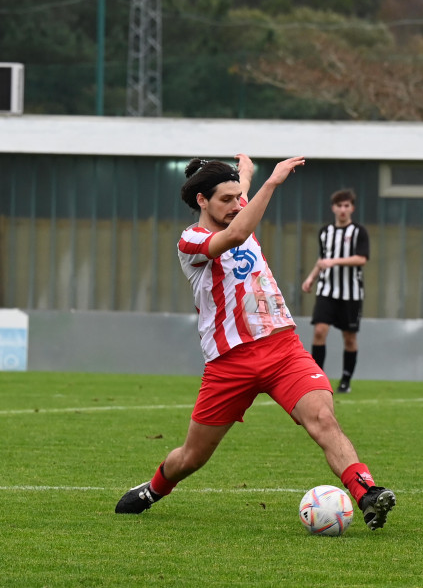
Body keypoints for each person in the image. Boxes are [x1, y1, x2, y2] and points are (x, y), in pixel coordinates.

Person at [115, 154, 395, 530]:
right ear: (202, 201)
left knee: (323, 419)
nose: (236, 204)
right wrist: (271, 181)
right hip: (230, 362)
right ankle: (154, 488)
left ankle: (367, 493)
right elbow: (235, 236)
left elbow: (239, 197)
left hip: (283, 349)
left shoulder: (234, 206)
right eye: (226, 200)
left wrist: (244, 171)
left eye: (238, 197)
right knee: (193, 457)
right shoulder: (191, 241)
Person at [301, 189, 369, 393]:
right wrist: (311, 278)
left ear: (352, 208)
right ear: (333, 208)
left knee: (349, 337)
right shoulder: (325, 232)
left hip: (351, 293)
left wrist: (335, 261)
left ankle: (346, 381)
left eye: (347, 206)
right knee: (320, 331)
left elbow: (361, 259)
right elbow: (323, 260)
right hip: (326, 290)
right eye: (339, 205)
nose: (343, 209)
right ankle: (317, 378)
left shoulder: (359, 232)